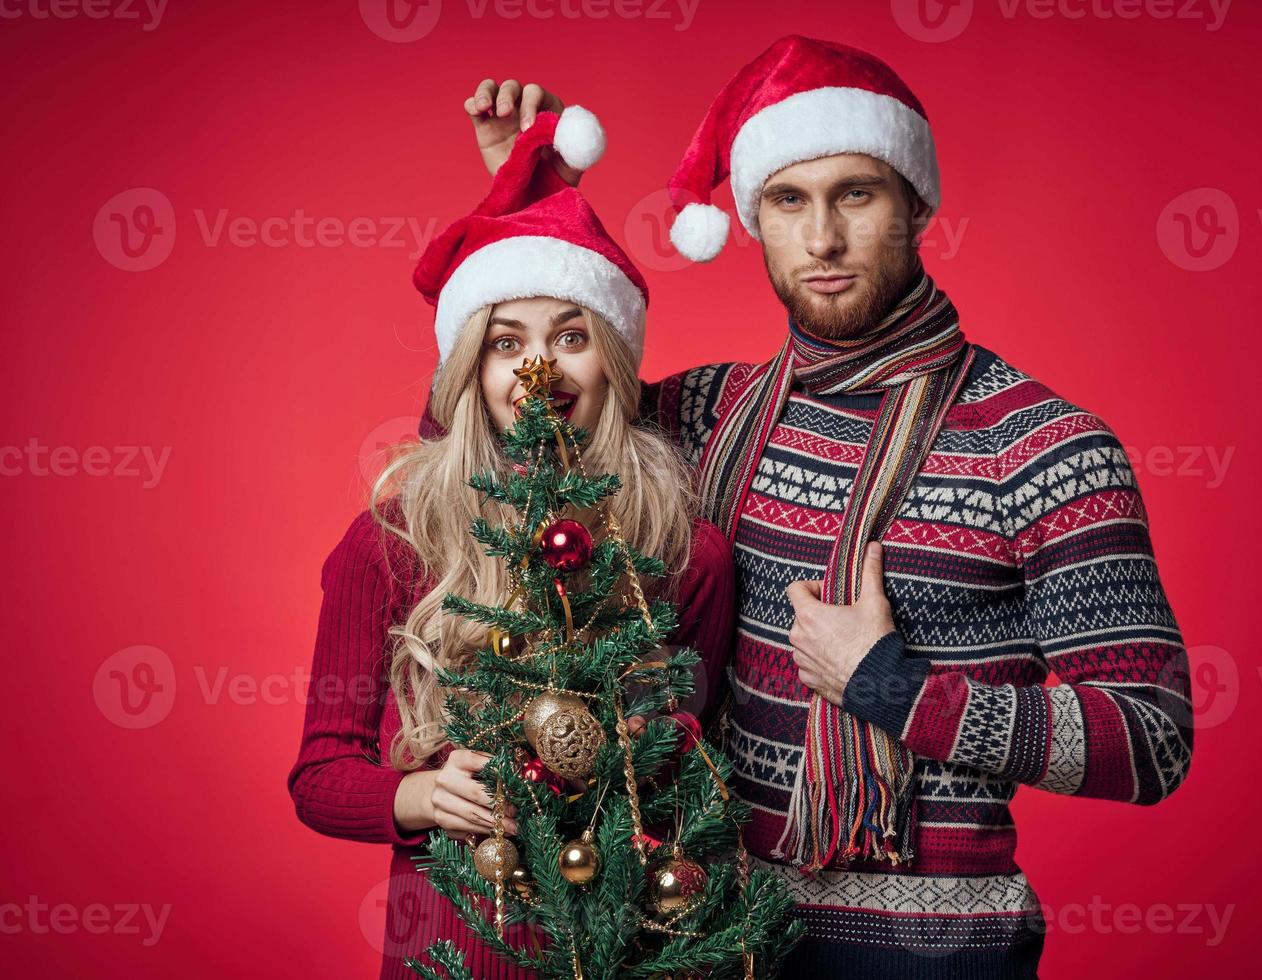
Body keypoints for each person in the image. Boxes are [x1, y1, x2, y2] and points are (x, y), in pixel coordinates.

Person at [468, 34, 1195, 979]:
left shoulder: (1043, 446)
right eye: (788, 200)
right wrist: (528, 204)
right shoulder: (702, 412)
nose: (822, 239)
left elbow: (1153, 739)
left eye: (856, 193)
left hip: (928, 950)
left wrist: (892, 688)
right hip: (698, 927)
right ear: (753, 218)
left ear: (916, 202)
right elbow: (501, 442)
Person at [286, 107, 736, 979]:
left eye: (572, 336)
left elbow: (700, 748)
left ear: (612, 355)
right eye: (505, 343)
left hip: (637, 947)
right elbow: (318, 777)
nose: (540, 370)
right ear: (469, 369)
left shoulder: (685, 551)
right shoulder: (395, 543)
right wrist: (416, 795)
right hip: (453, 946)